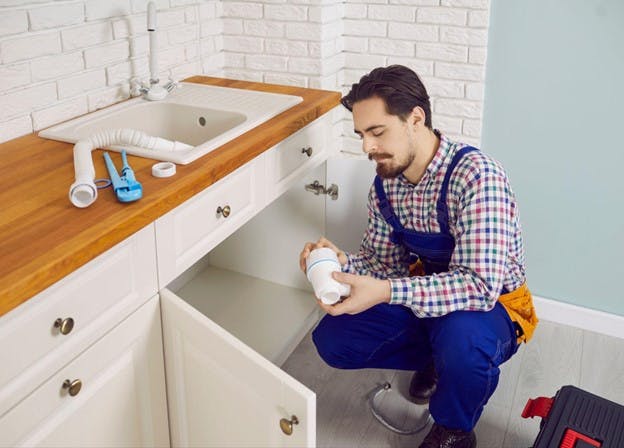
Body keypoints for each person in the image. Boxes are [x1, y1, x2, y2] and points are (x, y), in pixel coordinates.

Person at [299, 65, 538, 448]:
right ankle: (437, 358)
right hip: (426, 298)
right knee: (334, 338)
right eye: (361, 134)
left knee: (462, 341)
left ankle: (454, 429)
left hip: (489, 309)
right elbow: (384, 265)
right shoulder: (385, 187)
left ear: (415, 119)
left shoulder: (478, 177)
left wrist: (389, 292)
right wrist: (342, 264)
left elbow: (479, 288)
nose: (366, 147)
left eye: (377, 132)